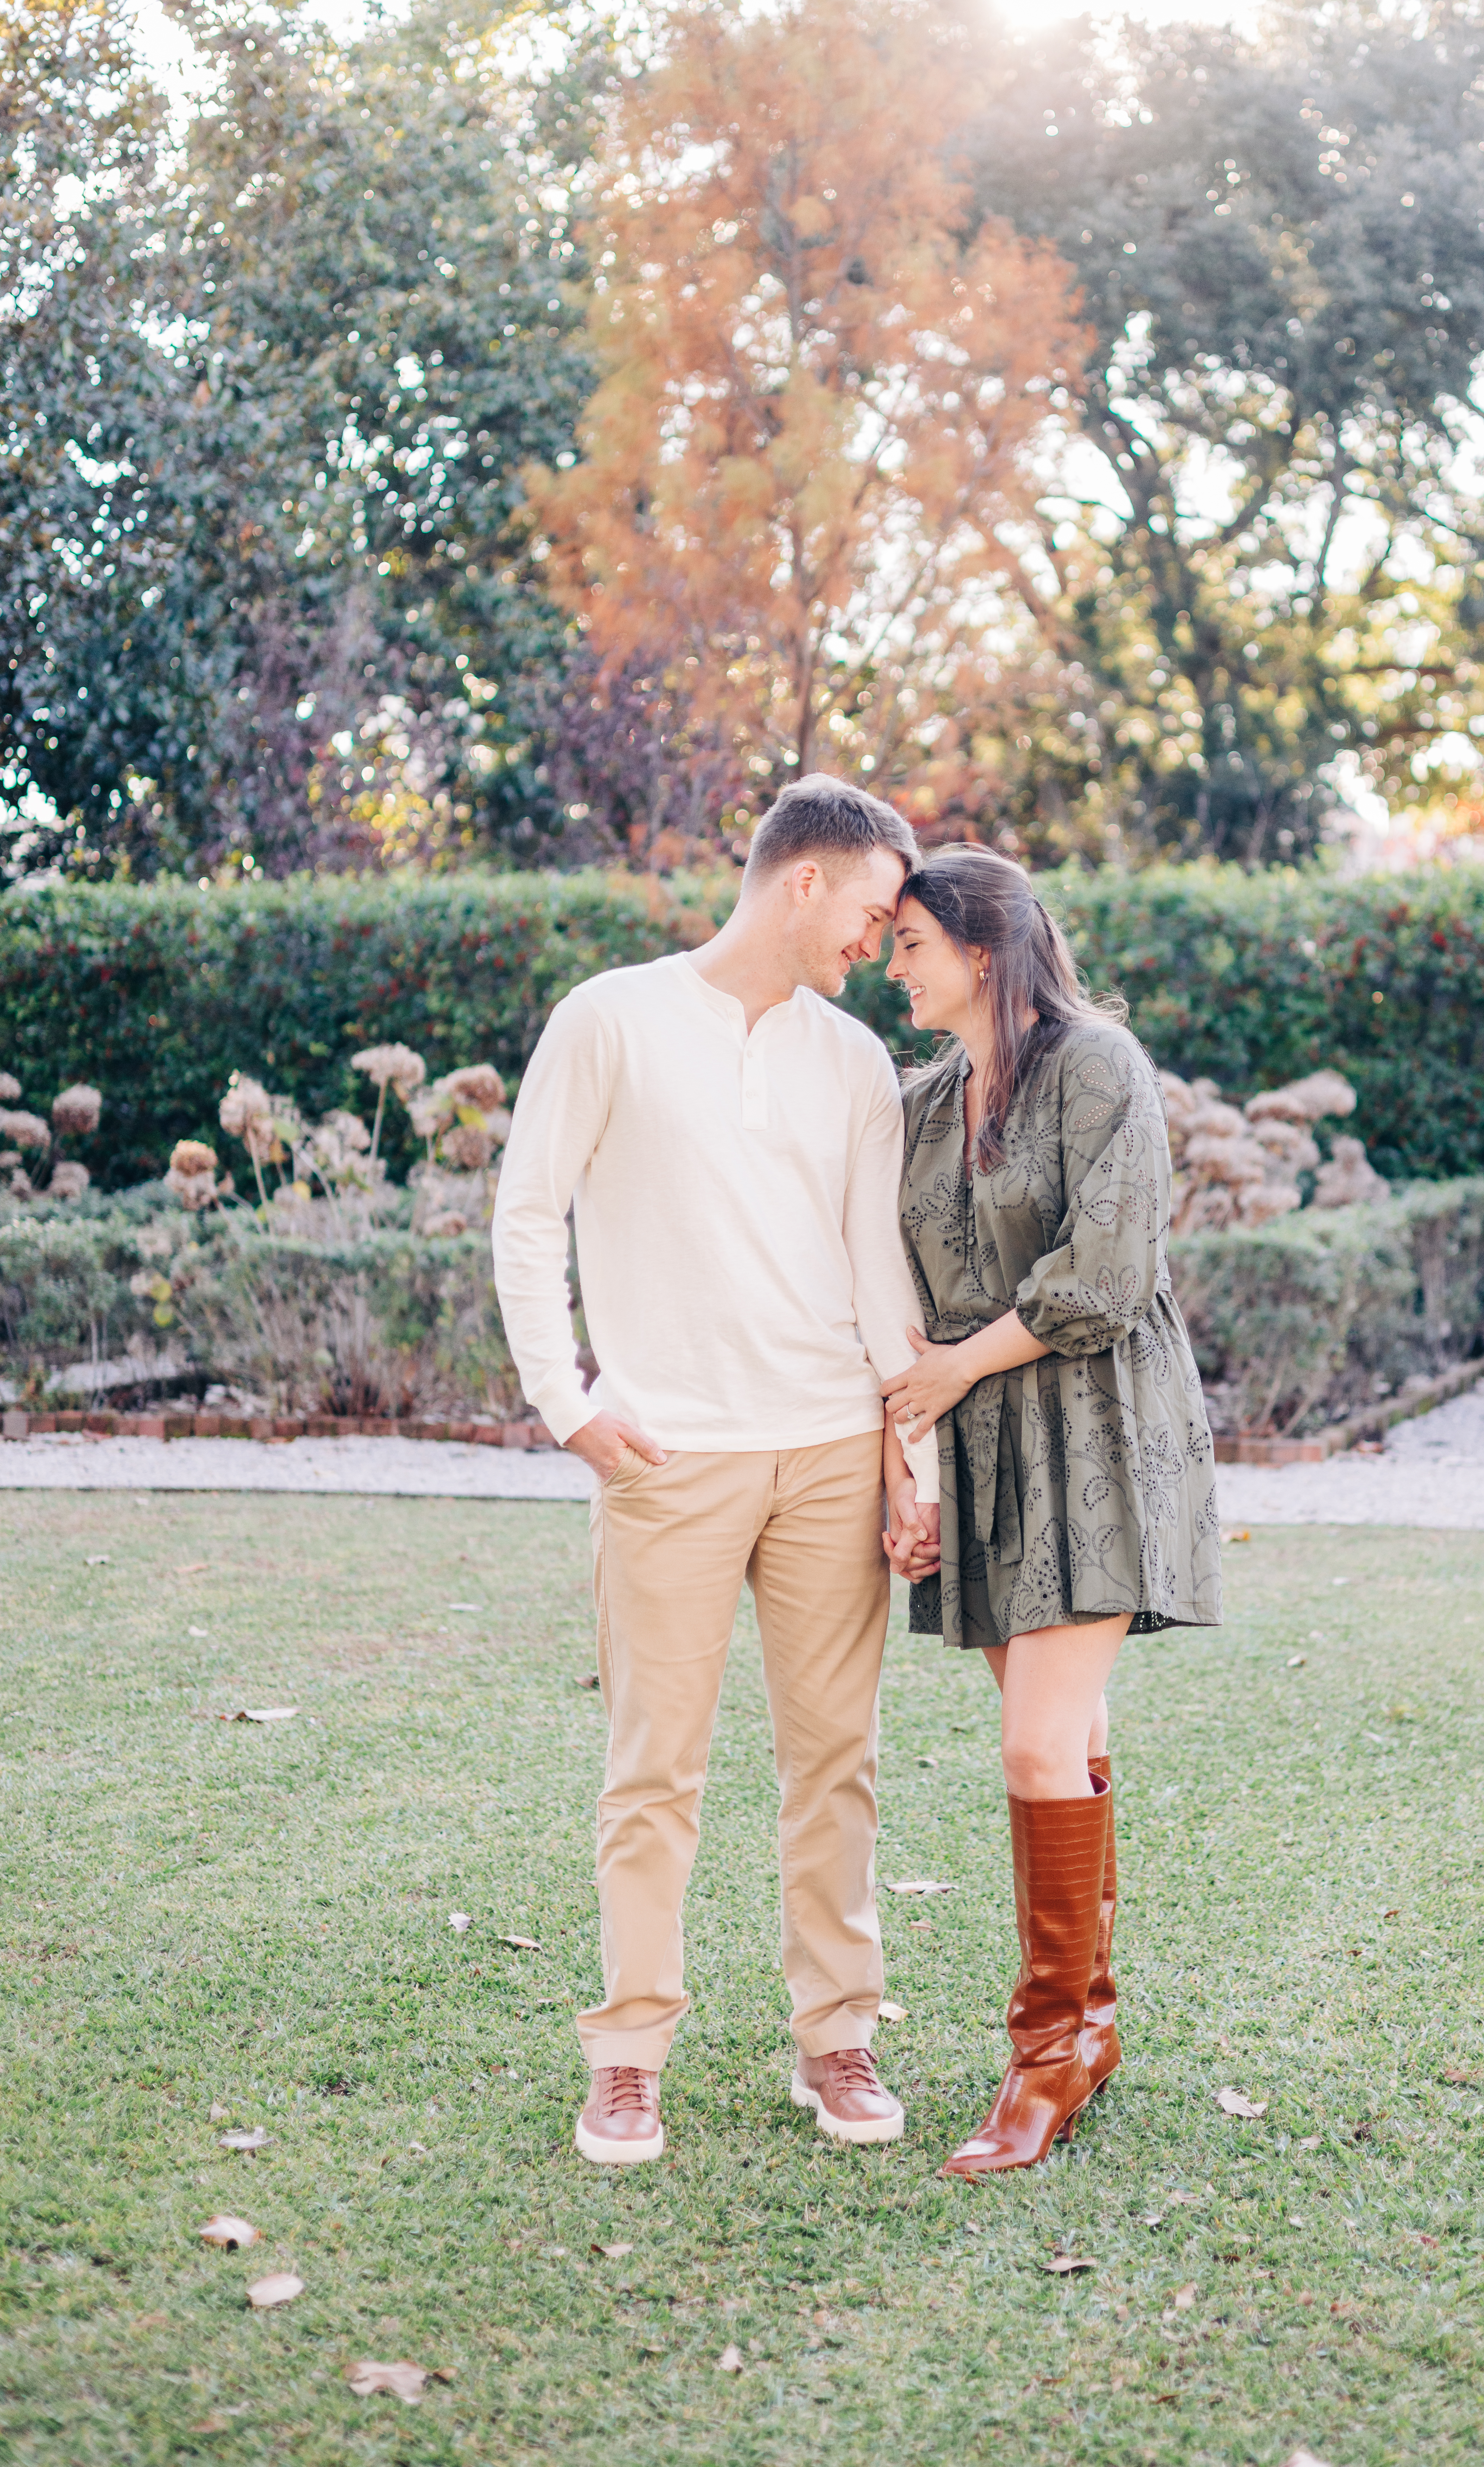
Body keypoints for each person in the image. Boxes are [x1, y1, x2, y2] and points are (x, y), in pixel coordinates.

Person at [492, 777, 940, 2167]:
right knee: (652, 1775)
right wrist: (565, 1407)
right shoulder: (609, 1017)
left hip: (824, 1450)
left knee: (837, 1767)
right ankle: (628, 2057)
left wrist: (902, 1455)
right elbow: (528, 1212)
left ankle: (838, 2040)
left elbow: (879, 1266)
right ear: (803, 881)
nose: (878, 940)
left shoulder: (856, 1060)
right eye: (871, 912)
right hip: (668, 1456)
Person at [881, 846, 1222, 2178]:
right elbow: (895, 1304)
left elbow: (1111, 1266)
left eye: (909, 942)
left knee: (1033, 1745)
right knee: (1061, 1737)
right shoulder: (919, 1100)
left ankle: (1044, 2051)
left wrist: (960, 1366)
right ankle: (1087, 2025)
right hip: (977, 1446)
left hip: (1094, 1424)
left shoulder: (1096, 1064)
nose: (892, 965)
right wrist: (907, 1470)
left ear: (981, 948)